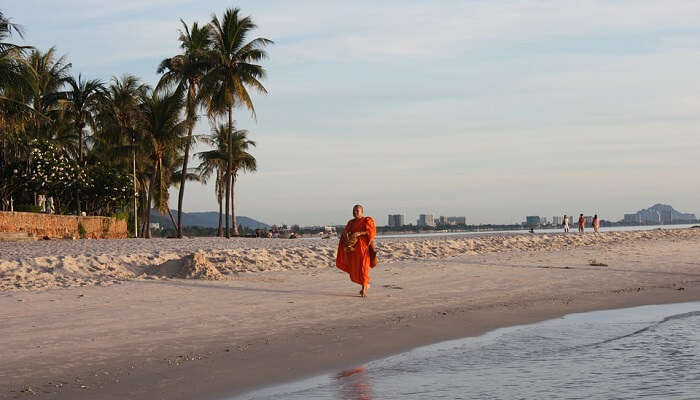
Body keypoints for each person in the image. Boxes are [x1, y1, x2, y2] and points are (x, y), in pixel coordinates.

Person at [336, 204, 377, 298]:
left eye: (357, 211)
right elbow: (346, 232)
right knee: (355, 268)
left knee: (364, 268)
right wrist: (346, 235)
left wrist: (359, 233)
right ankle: (365, 284)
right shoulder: (350, 222)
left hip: (363, 248)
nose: (355, 212)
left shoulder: (367, 220)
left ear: (362, 212)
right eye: (353, 211)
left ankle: (364, 290)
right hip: (353, 249)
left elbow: (371, 231)